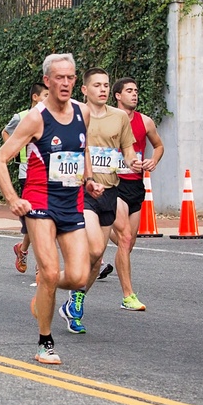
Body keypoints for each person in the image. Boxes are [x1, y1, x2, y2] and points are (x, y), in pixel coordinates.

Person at [0, 53, 101, 365]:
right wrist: (13, 199)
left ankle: (45, 288)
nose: (65, 83)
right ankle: (45, 342)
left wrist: (89, 180)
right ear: (48, 82)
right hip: (39, 202)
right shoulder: (36, 118)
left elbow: (84, 148)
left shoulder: (83, 113)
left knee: (79, 276)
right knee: (51, 270)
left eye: (70, 77)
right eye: (59, 78)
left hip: (72, 201)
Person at [59, 68, 134, 334]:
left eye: (105, 85)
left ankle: (76, 299)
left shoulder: (120, 117)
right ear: (85, 90)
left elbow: (127, 150)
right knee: (92, 250)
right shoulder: (74, 114)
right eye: (97, 85)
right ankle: (55, 280)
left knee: (98, 255)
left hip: (110, 191)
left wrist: (134, 161)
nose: (102, 89)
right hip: (83, 191)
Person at [108, 77, 165, 310]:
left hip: (136, 186)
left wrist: (154, 160)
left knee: (127, 244)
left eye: (136, 90)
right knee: (125, 239)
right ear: (118, 96)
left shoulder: (146, 122)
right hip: (115, 183)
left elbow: (159, 145)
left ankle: (102, 235)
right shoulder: (107, 119)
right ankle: (128, 296)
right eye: (129, 91)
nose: (134, 94)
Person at [1, 83, 48, 273]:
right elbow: (5, 132)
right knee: (35, 220)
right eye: (45, 94)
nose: (49, 97)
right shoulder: (21, 117)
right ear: (35, 97)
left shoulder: (54, 116)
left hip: (50, 176)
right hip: (26, 173)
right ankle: (39, 263)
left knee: (44, 219)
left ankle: (25, 250)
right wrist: (12, 149)